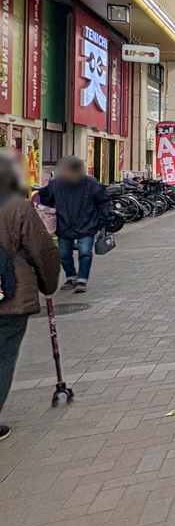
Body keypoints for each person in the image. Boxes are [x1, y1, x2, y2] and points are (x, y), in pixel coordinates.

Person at [0, 151, 61, 442]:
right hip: (8, 300)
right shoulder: (17, 208)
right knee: (2, 357)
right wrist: (49, 285)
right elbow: (43, 251)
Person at [38, 155, 110, 293]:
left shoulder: (92, 184)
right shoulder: (56, 184)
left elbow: (103, 202)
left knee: (85, 252)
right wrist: (43, 191)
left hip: (86, 224)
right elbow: (47, 200)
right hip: (64, 224)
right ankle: (71, 276)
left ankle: (82, 279)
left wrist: (105, 220)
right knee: (64, 253)